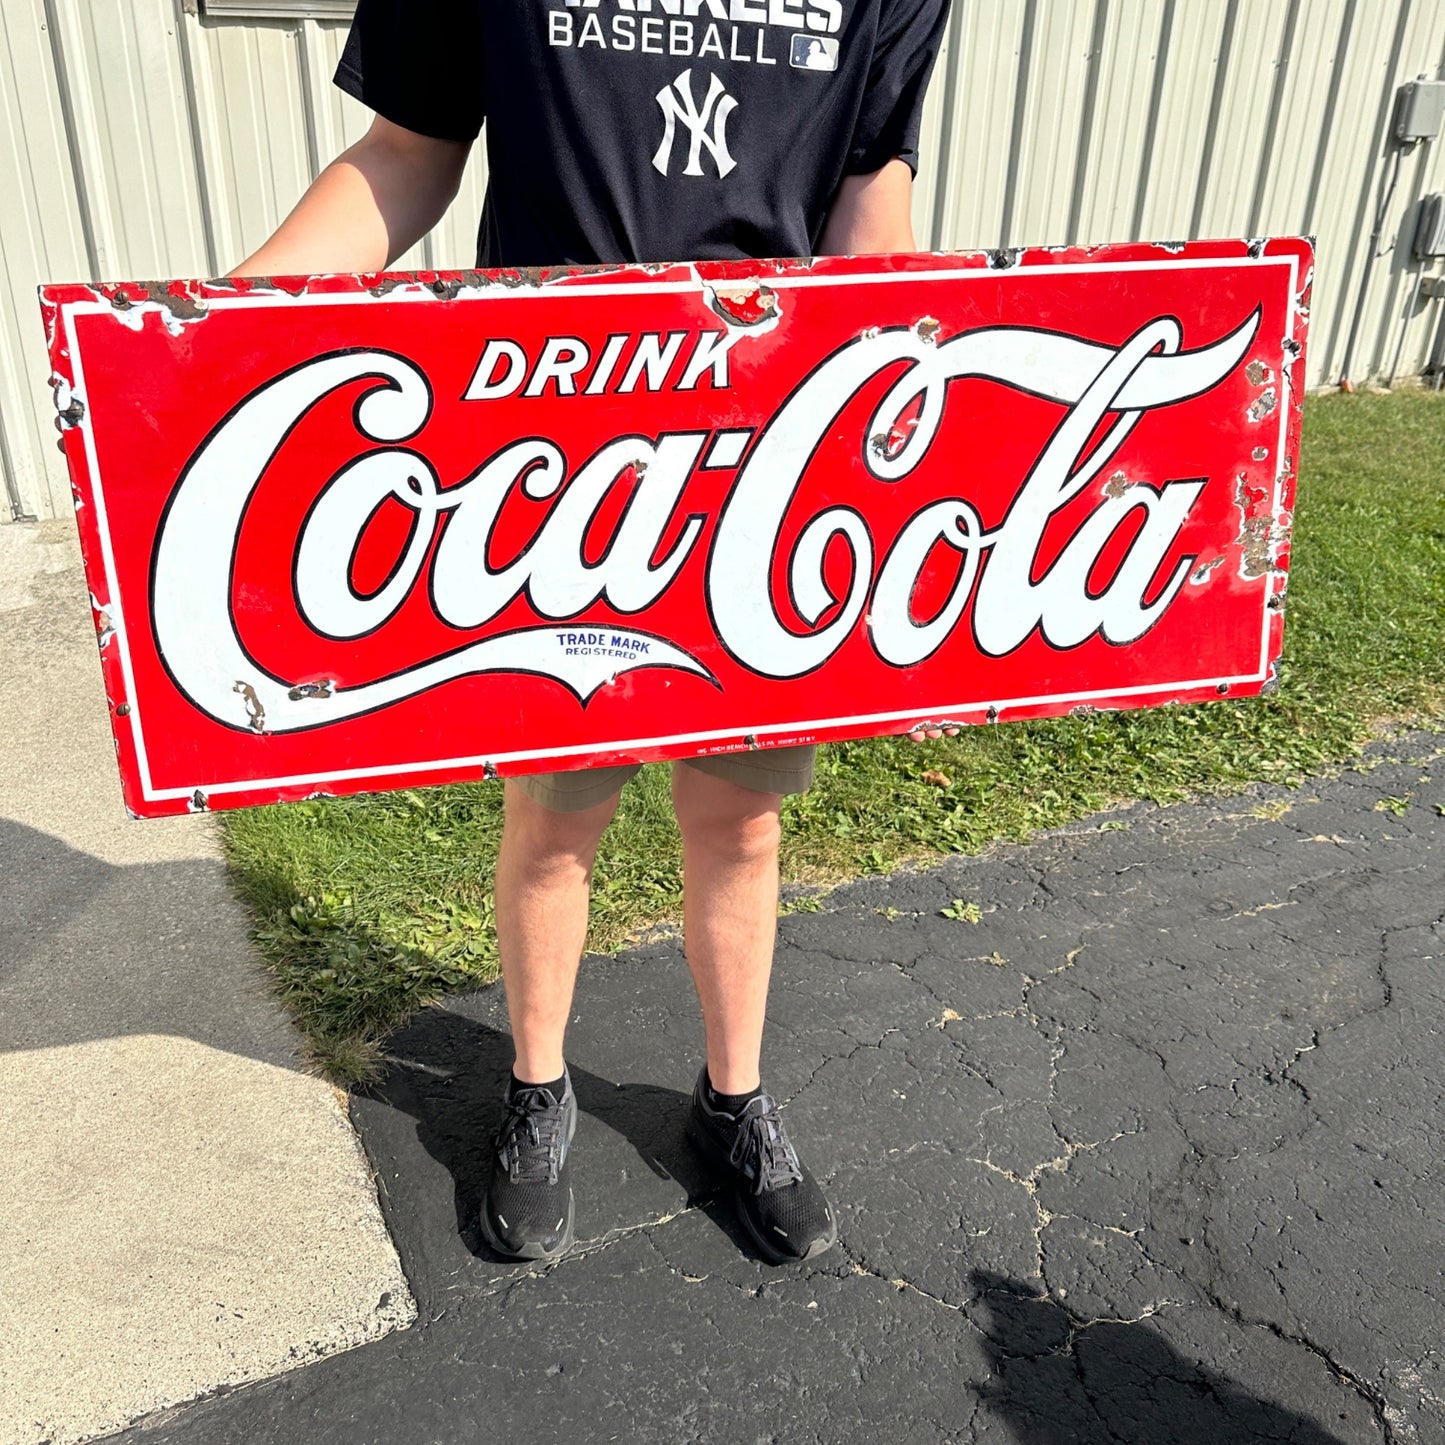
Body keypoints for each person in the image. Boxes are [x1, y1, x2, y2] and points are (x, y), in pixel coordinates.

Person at [230, 0, 951, 1266]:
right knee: (555, 819)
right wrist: (230, 330)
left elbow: (867, 202)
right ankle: (536, 1085)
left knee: (741, 817)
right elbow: (408, 149)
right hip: (558, 449)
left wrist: (906, 394)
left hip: (764, 448)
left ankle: (733, 1104)